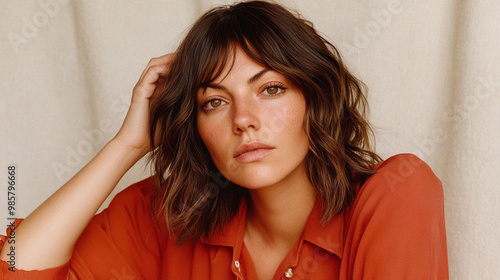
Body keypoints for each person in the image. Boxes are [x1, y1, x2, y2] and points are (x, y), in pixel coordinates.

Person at [0, 1, 448, 279]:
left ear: (316, 98)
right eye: (215, 102)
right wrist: (128, 146)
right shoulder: (167, 217)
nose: (244, 121)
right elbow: (15, 268)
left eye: (270, 89)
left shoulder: (395, 193)